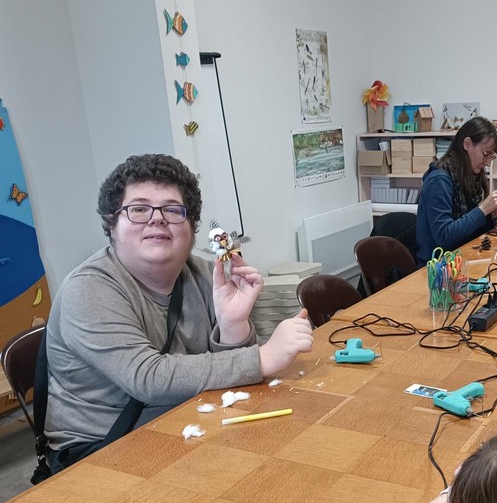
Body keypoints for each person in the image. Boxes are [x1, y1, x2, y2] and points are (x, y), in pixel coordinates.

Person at [44, 153, 313, 470]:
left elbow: (233, 381)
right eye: (139, 209)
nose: (156, 219)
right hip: (101, 449)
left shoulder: (204, 274)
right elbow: (148, 378)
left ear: (191, 227)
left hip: (188, 423)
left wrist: (233, 324)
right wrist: (263, 357)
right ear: (112, 225)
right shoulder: (87, 290)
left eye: (172, 210)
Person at [415, 117, 497, 267]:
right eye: (485, 153)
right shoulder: (438, 180)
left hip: (461, 259)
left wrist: (492, 214)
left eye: (491, 156)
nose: (487, 162)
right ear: (467, 144)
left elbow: (469, 230)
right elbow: (444, 236)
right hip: (437, 269)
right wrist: (483, 210)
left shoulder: (469, 176)